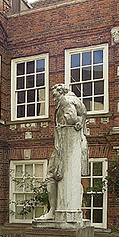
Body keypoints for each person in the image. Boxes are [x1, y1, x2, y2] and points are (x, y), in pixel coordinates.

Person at [37, 84, 88, 222]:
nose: (54, 99)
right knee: (73, 178)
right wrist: (80, 122)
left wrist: (66, 122)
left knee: (50, 176)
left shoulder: (66, 100)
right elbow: (83, 114)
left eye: (55, 96)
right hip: (73, 143)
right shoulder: (75, 100)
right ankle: (73, 209)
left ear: (62, 92)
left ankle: (52, 211)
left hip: (64, 144)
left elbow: (71, 118)